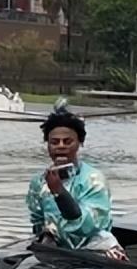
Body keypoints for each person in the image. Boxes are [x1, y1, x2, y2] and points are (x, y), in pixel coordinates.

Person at [26, 100, 127, 260]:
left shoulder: (94, 180)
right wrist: (46, 238)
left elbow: (86, 226)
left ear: (80, 143)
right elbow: (37, 220)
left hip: (97, 253)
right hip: (56, 252)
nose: (61, 146)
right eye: (54, 142)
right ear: (47, 145)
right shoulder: (39, 183)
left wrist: (59, 192)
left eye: (67, 142)